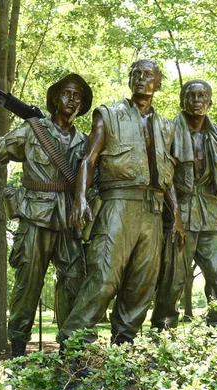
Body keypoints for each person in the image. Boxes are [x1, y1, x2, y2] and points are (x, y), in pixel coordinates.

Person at [58, 59, 185, 347]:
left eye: (148, 75)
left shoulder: (166, 126)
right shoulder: (109, 114)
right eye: (136, 74)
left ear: (158, 83)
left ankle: (124, 346)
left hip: (152, 210)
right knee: (104, 278)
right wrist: (80, 197)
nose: (141, 79)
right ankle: (74, 344)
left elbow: (169, 176)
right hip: (118, 204)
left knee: (141, 285)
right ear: (130, 80)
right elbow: (88, 160)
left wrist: (175, 215)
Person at [0, 73, 93, 357]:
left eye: (78, 96)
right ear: (55, 98)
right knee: (28, 284)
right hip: (35, 217)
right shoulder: (33, 130)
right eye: (66, 93)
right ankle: (17, 352)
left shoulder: (86, 141)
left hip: (70, 221)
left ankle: (71, 355)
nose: (72, 99)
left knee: (74, 282)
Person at [151, 79, 217, 330]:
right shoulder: (168, 131)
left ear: (209, 101)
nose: (197, 101)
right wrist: (175, 218)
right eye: (191, 96)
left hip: (211, 215)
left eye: (202, 96)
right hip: (180, 213)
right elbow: (165, 179)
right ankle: (162, 335)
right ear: (183, 100)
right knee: (172, 282)